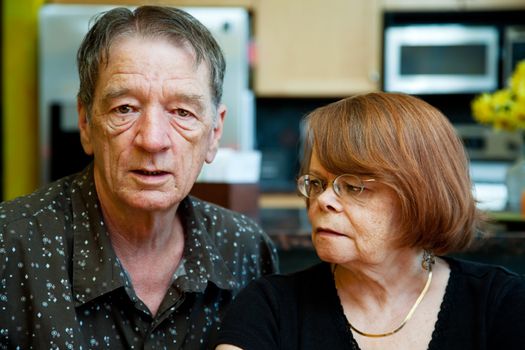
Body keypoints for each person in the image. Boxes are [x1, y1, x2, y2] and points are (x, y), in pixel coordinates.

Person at [0, 6, 278, 349]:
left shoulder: (245, 250)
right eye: (125, 109)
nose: (152, 139)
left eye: (182, 112)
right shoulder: (11, 246)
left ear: (215, 132)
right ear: (86, 123)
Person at [215, 92, 525, 350]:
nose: (323, 200)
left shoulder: (500, 304)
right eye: (317, 183)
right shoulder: (270, 306)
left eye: (353, 187)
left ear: (421, 194)